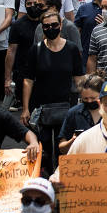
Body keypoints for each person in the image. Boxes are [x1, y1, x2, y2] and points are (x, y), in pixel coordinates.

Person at [22, 11, 83, 171]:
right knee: (44, 151)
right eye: (46, 26)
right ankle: (44, 185)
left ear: (61, 25)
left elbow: (79, 79)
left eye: (54, 25)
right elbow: (28, 81)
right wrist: (25, 108)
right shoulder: (36, 50)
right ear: (42, 28)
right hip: (41, 108)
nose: (51, 28)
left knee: (65, 149)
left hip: (67, 105)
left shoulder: (71, 49)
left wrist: (85, 104)